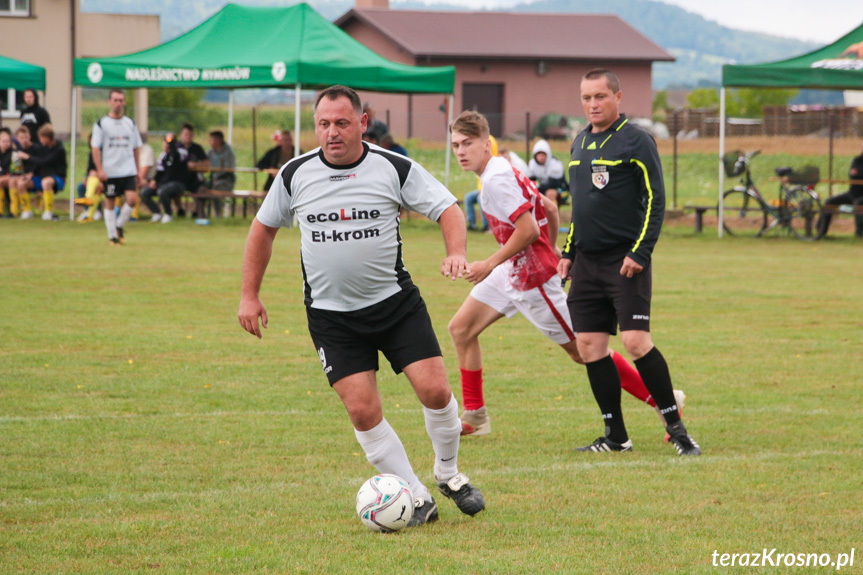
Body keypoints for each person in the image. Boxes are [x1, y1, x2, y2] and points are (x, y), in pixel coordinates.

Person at [238, 85, 485, 527]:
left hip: (394, 305)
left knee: (435, 391)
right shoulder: (294, 175)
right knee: (362, 410)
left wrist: (456, 251)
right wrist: (249, 295)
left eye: (342, 123)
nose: (332, 133)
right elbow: (262, 230)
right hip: (332, 318)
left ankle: (448, 473)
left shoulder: (391, 167)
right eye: (323, 124)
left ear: (363, 122)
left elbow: (448, 207)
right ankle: (414, 493)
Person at [448, 110, 673, 439]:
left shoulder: (496, 178)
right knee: (461, 329)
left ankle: (665, 402)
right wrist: (550, 247)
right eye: (455, 145)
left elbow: (525, 230)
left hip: (533, 279)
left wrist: (492, 263)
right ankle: (475, 415)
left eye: (468, 143)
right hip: (512, 272)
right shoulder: (498, 171)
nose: (460, 151)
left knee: (585, 351)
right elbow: (549, 210)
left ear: (487, 144)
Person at [558, 68, 700, 456]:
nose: (592, 105)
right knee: (589, 346)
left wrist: (640, 252)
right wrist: (569, 252)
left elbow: (656, 201)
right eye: (586, 98)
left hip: (624, 260)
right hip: (585, 262)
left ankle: (677, 429)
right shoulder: (579, 143)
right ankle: (616, 437)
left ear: (618, 98)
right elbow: (579, 208)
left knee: (636, 342)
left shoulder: (637, 141)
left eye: (600, 97)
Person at [91, 89, 143, 245]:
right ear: (109, 102)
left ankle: (118, 226)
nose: (118, 103)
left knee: (132, 200)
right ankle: (112, 236)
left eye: (121, 100)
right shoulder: (102, 124)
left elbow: (136, 147)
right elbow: (95, 148)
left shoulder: (130, 123)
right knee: (110, 202)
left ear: (124, 102)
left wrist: (138, 170)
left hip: (128, 170)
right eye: (115, 100)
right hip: (111, 171)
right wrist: (100, 169)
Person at [140, 133, 190, 224]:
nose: (165, 147)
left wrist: (171, 143)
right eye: (164, 145)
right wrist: (154, 181)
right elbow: (159, 171)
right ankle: (157, 213)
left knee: (162, 191)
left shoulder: (182, 152)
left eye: (167, 145)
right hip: (165, 183)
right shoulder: (163, 155)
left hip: (179, 183)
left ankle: (168, 214)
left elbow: (176, 157)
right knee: (144, 193)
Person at [817, 141, 863, 238]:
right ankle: (820, 231)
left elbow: (856, 173)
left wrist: (858, 173)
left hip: (861, 197)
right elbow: (852, 174)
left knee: (858, 205)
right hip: (852, 194)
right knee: (829, 202)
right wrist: (857, 174)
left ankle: (860, 233)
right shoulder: (857, 160)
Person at [27, 123, 67, 221]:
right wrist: (31, 173)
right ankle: (26, 211)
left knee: (46, 182)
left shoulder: (59, 149)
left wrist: (28, 157)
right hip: (41, 176)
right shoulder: (41, 148)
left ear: (47, 138)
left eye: (41, 138)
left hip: (57, 178)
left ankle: (48, 212)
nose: (40, 140)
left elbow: (45, 161)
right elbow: (38, 163)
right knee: (21, 183)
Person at [8, 125, 41, 219]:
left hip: (37, 176)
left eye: (26, 137)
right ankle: (13, 211)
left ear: (29, 136)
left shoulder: (36, 148)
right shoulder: (17, 151)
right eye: (22, 137)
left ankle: (27, 210)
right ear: (17, 139)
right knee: (12, 181)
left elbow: (40, 164)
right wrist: (18, 174)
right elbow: (17, 169)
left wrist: (31, 173)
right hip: (24, 176)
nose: (24, 139)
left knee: (20, 184)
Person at [203, 130, 236, 217]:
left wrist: (218, 178)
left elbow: (229, 169)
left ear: (218, 140)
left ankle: (218, 214)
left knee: (216, 189)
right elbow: (203, 163)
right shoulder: (210, 152)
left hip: (227, 181)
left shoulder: (228, 152)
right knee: (201, 188)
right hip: (213, 180)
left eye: (212, 139)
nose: (209, 141)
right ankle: (201, 213)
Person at [178, 123, 209, 217]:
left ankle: (197, 212)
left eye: (190, 135)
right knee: (172, 188)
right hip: (179, 179)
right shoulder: (176, 148)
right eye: (186, 134)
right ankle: (180, 210)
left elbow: (206, 164)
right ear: (181, 135)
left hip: (194, 179)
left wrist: (194, 165)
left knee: (203, 189)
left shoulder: (197, 148)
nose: (188, 137)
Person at [74, 133, 105, 223]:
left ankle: (94, 211)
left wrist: (99, 176)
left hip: (106, 179)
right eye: (90, 141)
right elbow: (90, 169)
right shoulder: (92, 153)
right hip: (94, 179)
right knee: (81, 187)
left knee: (98, 187)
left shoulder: (106, 152)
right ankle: (88, 211)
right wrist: (86, 177)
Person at [528, 139, 567, 205]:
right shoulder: (532, 164)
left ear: (548, 154)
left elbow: (552, 184)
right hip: (542, 189)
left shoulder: (555, 164)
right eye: (539, 154)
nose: (541, 157)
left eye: (543, 154)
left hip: (560, 191)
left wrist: (538, 189)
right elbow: (530, 181)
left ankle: (552, 214)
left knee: (550, 193)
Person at [0, 128, 14, 217]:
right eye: (3, 141)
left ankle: (12, 210)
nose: (6, 143)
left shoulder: (14, 153)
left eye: (8, 141)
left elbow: (16, 169)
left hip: (11, 177)